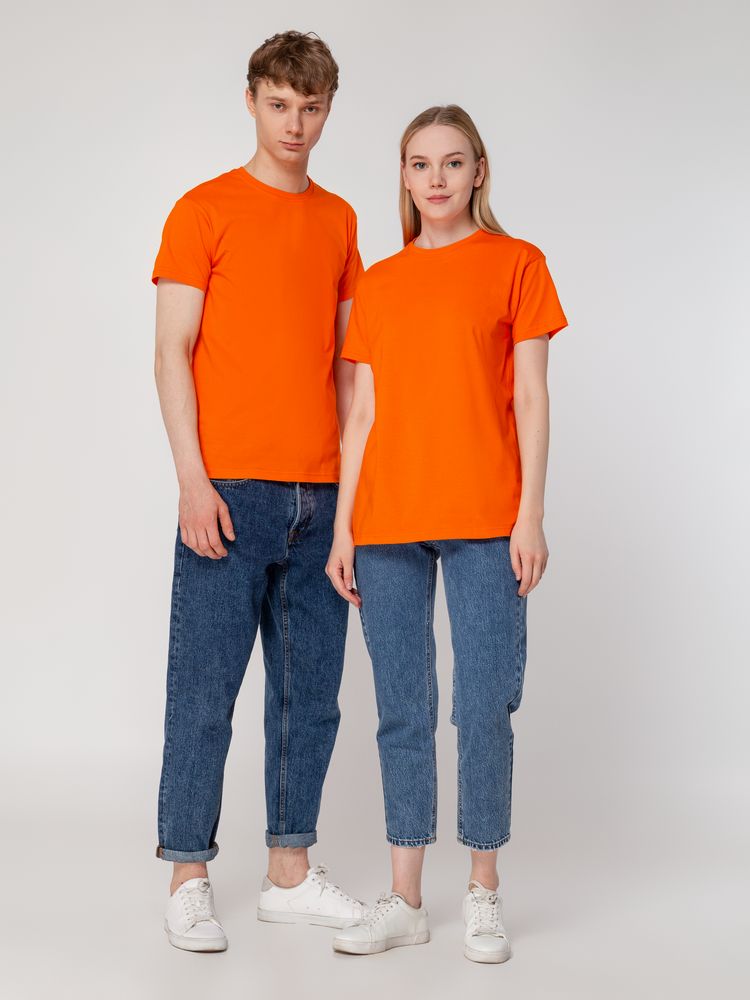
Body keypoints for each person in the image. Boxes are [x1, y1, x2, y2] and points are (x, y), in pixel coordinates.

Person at [326, 104, 568, 963]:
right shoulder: (380, 283)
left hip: (486, 519)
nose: (436, 179)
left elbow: (531, 397)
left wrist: (530, 513)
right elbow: (361, 415)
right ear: (403, 176)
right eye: (420, 164)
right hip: (387, 519)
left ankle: (483, 891)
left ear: (478, 172)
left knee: (484, 705)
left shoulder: (517, 263)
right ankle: (404, 900)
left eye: (452, 163)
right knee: (403, 710)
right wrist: (343, 529)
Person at [152, 31, 367, 952]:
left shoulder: (341, 220)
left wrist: (353, 506)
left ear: (328, 110)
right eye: (280, 104)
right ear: (251, 100)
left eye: (311, 108)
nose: (295, 124)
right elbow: (170, 352)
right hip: (229, 491)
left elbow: (352, 372)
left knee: (309, 698)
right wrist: (192, 481)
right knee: (204, 692)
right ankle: (187, 874)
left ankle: (289, 873)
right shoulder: (203, 209)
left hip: (321, 492)